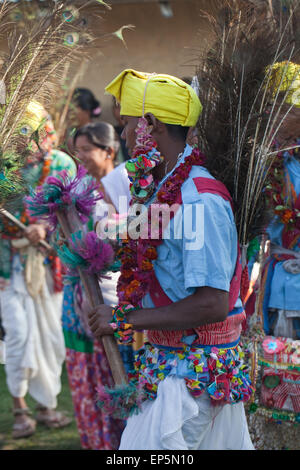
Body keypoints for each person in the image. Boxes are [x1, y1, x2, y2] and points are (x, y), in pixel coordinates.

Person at [87, 69, 254, 450]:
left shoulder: (198, 198)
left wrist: (125, 319)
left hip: (192, 378)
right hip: (173, 368)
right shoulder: (162, 190)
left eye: (128, 124)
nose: (125, 135)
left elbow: (212, 302)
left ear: (151, 125)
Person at [0, 101, 77, 439]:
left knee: (50, 335)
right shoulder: (4, 165)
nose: (28, 143)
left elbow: (75, 214)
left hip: (49, 267)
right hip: (9, 266)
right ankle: (19, 407)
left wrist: (46, 228)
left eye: (33, 133)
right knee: (17, 333)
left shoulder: (61, 164)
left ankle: (46, 405)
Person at [61, 121, 132, 449]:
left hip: (122, 300)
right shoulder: (77, 193)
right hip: (80, 302)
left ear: (109, 150)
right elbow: (60, 240)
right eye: (77, 151)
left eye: (87, 150)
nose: (81, 157)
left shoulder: (132, 187)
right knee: (90, 383)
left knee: (123, 376)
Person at [246, 61, 300, 450]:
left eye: (284, 109)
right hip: (282, 287)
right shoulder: (266, 164)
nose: (275, 118)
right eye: (271, 109)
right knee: (284, 384)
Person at [64, 88, 101, 157]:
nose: (68, 114)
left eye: (72, 110)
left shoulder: (99, 133)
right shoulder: (67, 133)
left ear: (86, 111)